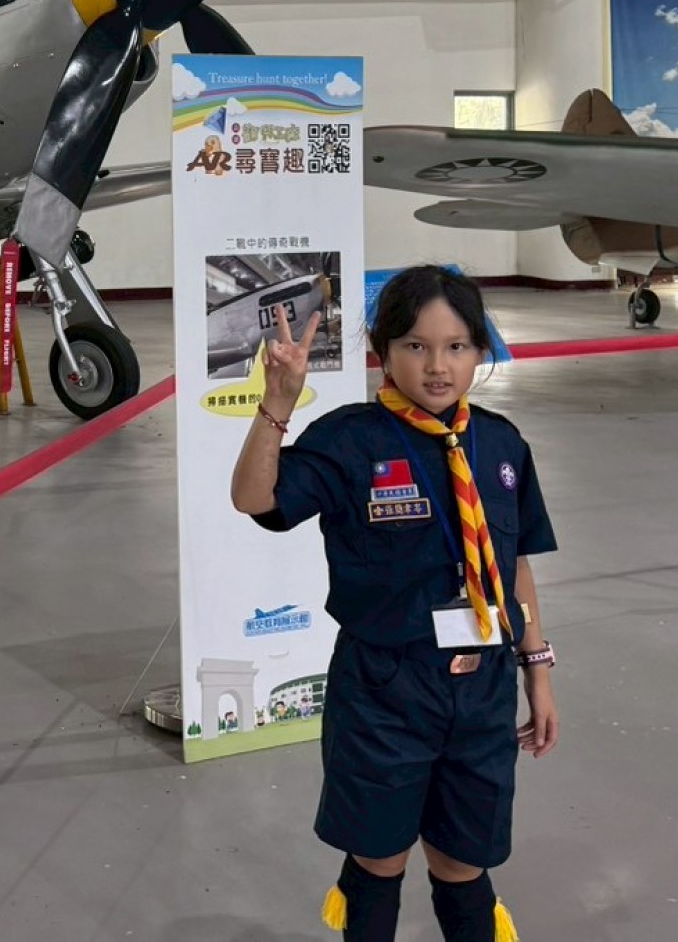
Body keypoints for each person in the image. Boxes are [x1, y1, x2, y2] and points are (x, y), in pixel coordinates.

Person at [231, 266, 559, 942]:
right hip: (384, 688)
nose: (437, 366)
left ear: (480, 351)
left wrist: (538, 670)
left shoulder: (501, 443)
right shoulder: (350, 439)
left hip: (484, 688)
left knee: (464, 860)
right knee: (379, 857)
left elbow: (515, 564)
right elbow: (255, 499)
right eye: (416, 346)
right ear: (383, 350)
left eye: (456, 346)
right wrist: (277, 404)